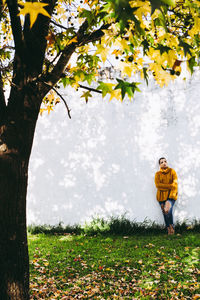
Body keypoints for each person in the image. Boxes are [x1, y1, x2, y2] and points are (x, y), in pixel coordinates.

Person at [155, 157, 178, 235]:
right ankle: (168, 229)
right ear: (159, 165)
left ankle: (172, 227)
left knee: (168, 210)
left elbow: (175, 185)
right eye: (161, 162)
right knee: (165, 213)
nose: (164, 163)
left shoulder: (172, 171)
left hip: (171, 196)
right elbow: (158, 185)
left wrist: (170, 196)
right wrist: (169, 186)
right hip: (161, 197)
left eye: (165, 161)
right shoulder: (157, 174)